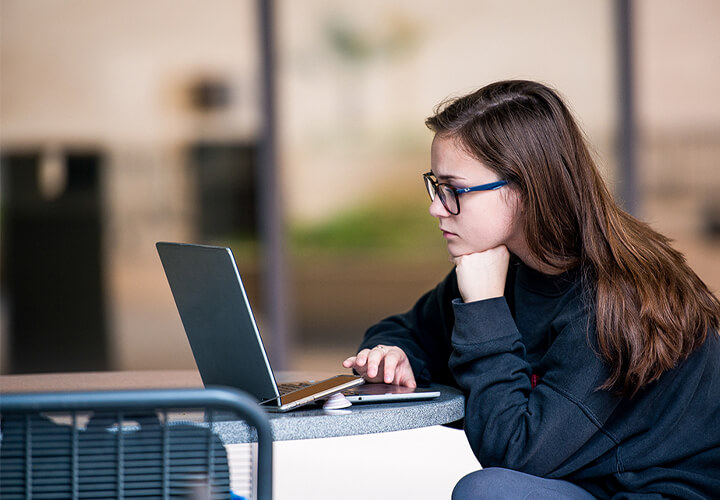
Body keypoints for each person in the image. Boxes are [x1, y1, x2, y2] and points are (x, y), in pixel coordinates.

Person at [342, 80, 720, 499]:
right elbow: (404, 330)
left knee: (488, 492)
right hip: (587, 481)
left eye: (454, 190)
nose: (436, 206)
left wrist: (483, 307)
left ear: (523, 190)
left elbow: (517, 452)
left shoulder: (615, 298)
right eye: (435, 185)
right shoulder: (509, 266)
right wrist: (394, 356)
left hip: (656, 490)